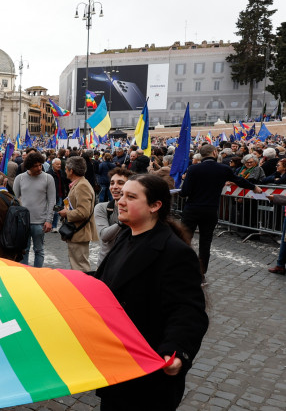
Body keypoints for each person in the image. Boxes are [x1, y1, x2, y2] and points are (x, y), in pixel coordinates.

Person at [94, 174, 209, 410]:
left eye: (131, 196)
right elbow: (105, 282)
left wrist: (175, 351)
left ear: (155, 206)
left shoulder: (173, 251)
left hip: (149, 373)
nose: (121, 201)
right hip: (117, 363)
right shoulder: (126, 234)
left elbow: (188, 309)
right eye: (122, 195)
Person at [180, 143, 260, 276]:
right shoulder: (223, 169)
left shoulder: (193, 169)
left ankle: (182, 268)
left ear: (202, 155)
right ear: (214, 153)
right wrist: (254, 187)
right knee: (205, 242)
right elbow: (239, 180)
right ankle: (201, 272)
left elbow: (184, 192)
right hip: (210, 210)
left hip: (192, 209)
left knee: (184, 239)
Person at [12, 152, 54, 268]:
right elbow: (14, 200)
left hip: (40, 222)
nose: (39, 168)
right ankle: (26, 275)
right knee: (24, 250)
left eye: (40, 165)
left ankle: (38, 274)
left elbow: (52, 201)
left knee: (39, 250)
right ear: (29, 166)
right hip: (23, 222)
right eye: (36, 166)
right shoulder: (19, 178)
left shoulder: (48, 178)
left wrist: (49, 220)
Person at [58, 155, 98, 272]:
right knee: (77, 264)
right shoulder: (79, 184)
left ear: (71, 170)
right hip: (77, 232)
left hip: (80, 232)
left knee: (80, 266)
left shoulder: (82, 186)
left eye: (66, 169)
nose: (65, 171)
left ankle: (83, 289)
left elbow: (83, 212)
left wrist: (66, 213)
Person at [94, 167, 132, 262]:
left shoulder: (136, 210)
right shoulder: (101, 207)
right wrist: (122, 221)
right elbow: (104, 236)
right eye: (112, 183)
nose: (114, 186)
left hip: (127, 262)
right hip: (105, 264)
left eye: (120, 183)